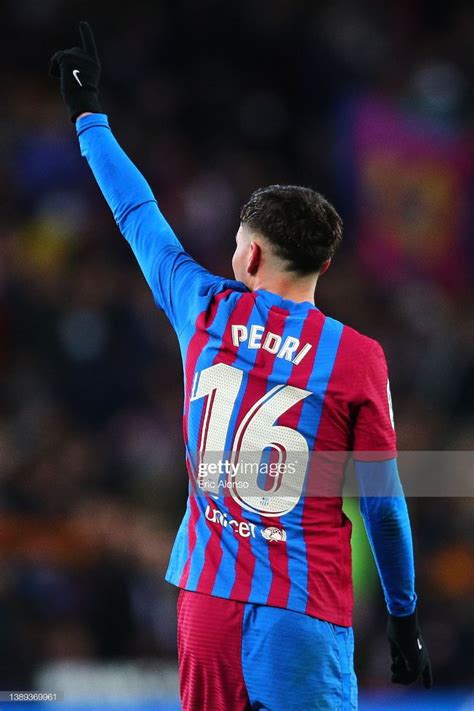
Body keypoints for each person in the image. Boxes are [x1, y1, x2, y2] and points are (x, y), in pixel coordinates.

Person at [50, 22, 432, 711]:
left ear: (251, 257)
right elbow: (384, 505)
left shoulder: (201, 306)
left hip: (207, 603)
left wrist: (88, 117)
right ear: (325, 263)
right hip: (302, 610)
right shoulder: (357, 357)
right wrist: (403, 616)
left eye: (236, 243)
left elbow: (137, 211)